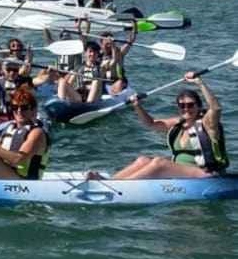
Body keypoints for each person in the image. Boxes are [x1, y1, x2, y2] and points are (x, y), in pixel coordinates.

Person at [92, 72, 228, 180]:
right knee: (142, 160)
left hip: (207, 174)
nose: (186, 109)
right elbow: (150, 123)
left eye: (190, 105)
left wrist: (200, 83)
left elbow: (216, 108)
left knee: (159, 163)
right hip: (182, 172)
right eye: (182, 106)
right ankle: (110, 182)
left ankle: (121, 188)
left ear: (198, 106)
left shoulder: (207, 124)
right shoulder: (178, 124)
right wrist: (137, 107)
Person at [98, 20, 137, 95]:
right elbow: (85, 45)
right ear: (101, 45)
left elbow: (131, 41)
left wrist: (134, 27)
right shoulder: (97, 55)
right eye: (107, 44)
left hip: (118, 82)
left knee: (118, 84)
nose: (109, 46)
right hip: (103, 82)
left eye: (111, 44)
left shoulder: (120, 52)